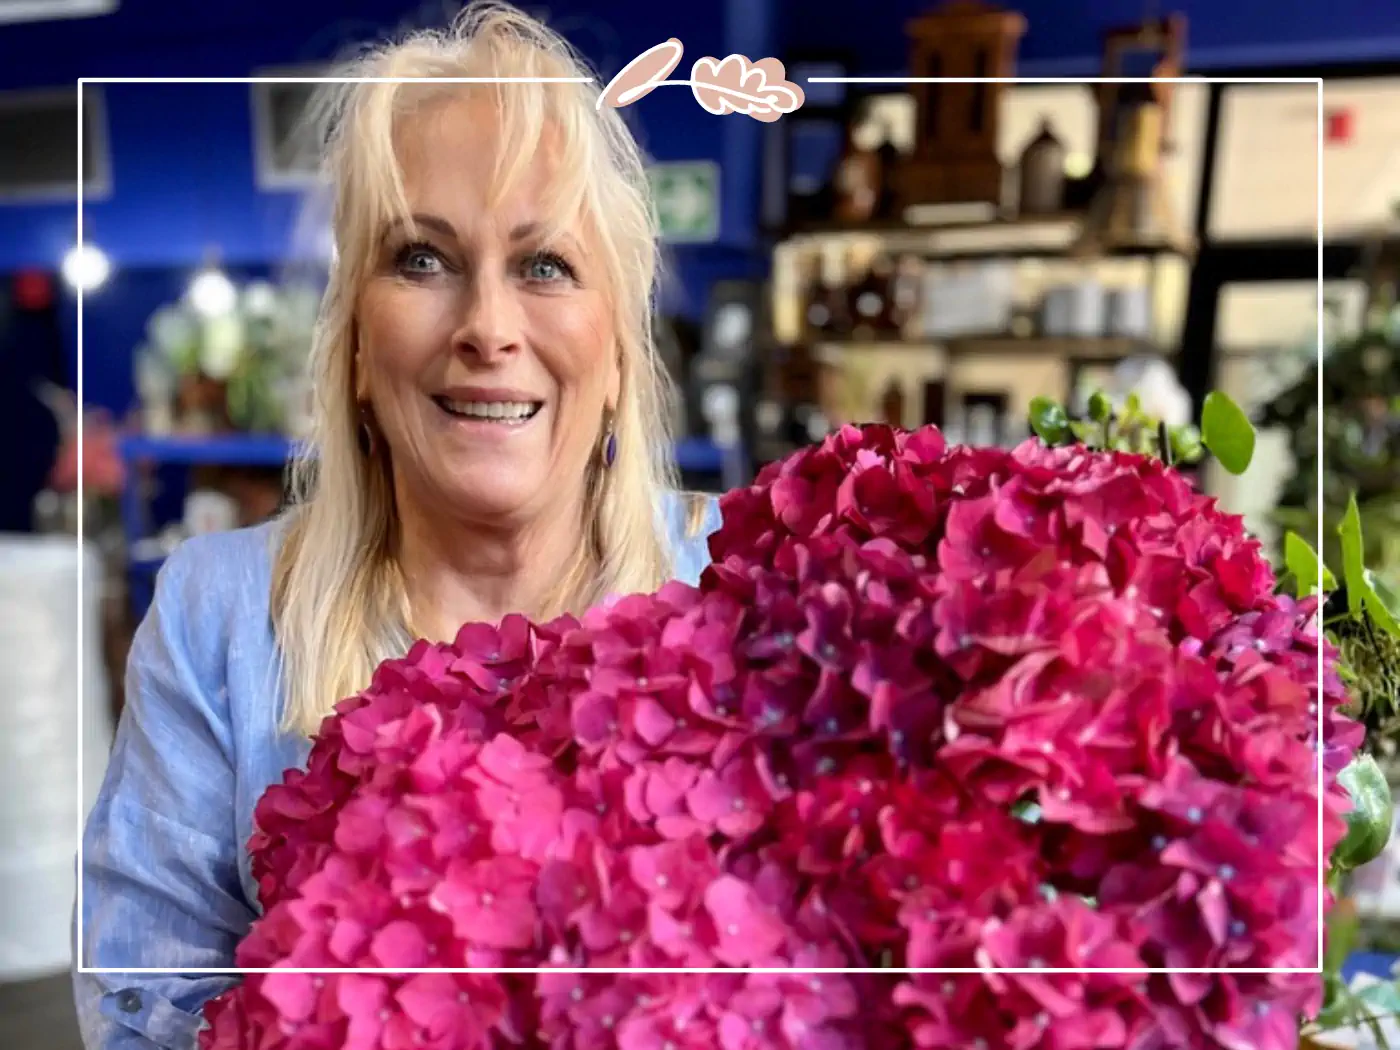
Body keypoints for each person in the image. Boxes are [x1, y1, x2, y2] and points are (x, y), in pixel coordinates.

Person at [74, 5, 721, 1047]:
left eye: (544, 264)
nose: (486, 328)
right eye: (421, 259)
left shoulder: (743, 591)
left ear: (615, 353)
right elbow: (141, 1013)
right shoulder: (220, 617)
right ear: (358, 353)